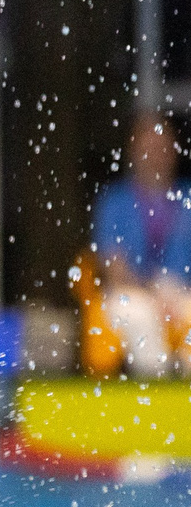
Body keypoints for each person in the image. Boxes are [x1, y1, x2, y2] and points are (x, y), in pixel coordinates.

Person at [91, 112, 191, 378]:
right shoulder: (114, 202)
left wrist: (173, 295)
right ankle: (156, 390)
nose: (155, 155)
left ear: (174, 151)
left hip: (183, 292)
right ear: (133, 153)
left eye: (161, 147)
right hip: (130, 292)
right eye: (147, 148)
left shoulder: (188, 197)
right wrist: (155, 293)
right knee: (138, 315)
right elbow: (114, 269)